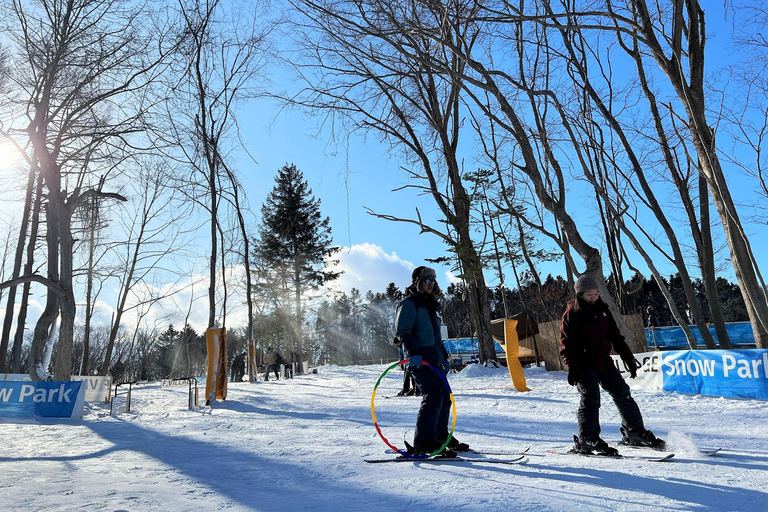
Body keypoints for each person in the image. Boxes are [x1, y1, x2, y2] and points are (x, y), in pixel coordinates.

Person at [560, 275, 665, 456]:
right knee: (591, 398)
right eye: (589, 294)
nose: (593, 297)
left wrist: (629, 359)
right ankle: (588, 439)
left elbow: (616, 337)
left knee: (623, 393)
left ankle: (634, 432)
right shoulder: (572, 315)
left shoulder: (603, 311)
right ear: (579, 295)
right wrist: (572, 367)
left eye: (595, 293)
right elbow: (566, 344)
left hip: (603, 362)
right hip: (584, 365)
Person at [395, 266, 468, 456]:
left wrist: (444, 356)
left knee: (444, 397)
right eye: (427, 281)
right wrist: (413, 352)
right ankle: (423, 442)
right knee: (433, 396)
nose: (430, 284)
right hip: (420, 358)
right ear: (418, 281)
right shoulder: (409, 304)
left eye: (433, 281)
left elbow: (436, 336)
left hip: (435, 358)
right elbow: (403, 331)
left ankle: (440, 437)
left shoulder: (431, 305)